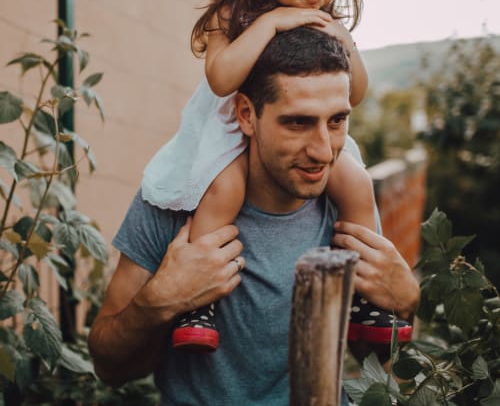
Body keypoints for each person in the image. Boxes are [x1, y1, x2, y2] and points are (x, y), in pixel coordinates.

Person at [88, 26, 420, 405]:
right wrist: (161, 300)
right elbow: (109, 367)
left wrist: (405, 301)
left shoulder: (346, 201)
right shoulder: (176, 200)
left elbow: (374, 360)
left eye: (336, 121)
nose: (324, 151)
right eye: (298, 122)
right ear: (246, 115)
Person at [141, 0, 411, 352]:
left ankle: (367, 297)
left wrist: (348, 44)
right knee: (224, 189)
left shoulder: (328, 24)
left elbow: (356, 93)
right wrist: (270, 24)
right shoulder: (235, 13)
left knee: (356, 181)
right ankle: (197, 302)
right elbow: (222, 79)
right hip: (231, 130)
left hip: (299, 133)